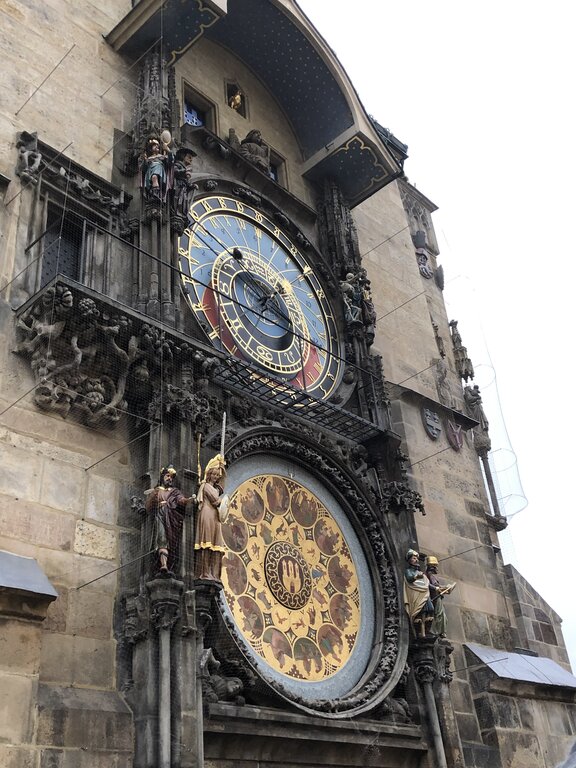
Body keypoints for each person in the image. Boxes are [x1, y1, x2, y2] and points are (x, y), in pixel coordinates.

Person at [146, 466, 193, 574]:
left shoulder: (175, 491)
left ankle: (168, 563)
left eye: (171, 477)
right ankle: (163, 565)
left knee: (171, 542)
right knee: (161, 539)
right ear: (162, 477)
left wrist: (188, 500)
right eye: (167, 476)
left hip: (171, 519)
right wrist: (153, 496)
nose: (170, 479)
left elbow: (181, 500)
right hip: (160, 516)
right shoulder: (157, 491)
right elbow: (148, 507)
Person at [194, 454, 228, 580]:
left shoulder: (215, 488)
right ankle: (204, 573)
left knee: (216, 545)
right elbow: (217, 500)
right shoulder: (206, 486)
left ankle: (214, 574)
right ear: (209, 474)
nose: (216, 477)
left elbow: (221, 488)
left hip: (214, 516)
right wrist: (226, 502)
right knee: (206, 544)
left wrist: (222, 469)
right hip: (207, 515)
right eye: (214, 474)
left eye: (217, 475)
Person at [403, 549, 434, 637]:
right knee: (420, 612)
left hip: (424, 593)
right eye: (413, 558)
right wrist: (416, 576)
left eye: (417, 558)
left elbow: (427, 583)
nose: (416, 560)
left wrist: (437, 588)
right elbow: (409, 578)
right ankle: (421, 631)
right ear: (409, 560)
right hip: (416, 594)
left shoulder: (420, 572)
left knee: (430, 609)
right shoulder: (409, 571)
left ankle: (426, 630)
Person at [425, 555, 455, 637]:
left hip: (438, 597)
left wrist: (445, 587)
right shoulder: (429, 575)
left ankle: (440, 631)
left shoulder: (431, 576)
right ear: (432, 567)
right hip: (435, 597)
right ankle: (435, 631)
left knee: (442, 615)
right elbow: (429, 585)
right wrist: (438, 588)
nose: (437, 568)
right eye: (435, 566)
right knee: (439, 614)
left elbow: (437, 586)